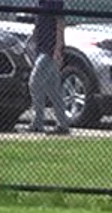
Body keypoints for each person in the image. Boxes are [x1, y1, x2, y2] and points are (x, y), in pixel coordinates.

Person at [27, 0, 69, 135]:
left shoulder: (55, 2)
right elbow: (38, 25)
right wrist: (31, 39)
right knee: (53, 89)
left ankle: (38, 122)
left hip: (50, 51)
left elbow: (60, 24)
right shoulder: (40, 3)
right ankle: (63, 125)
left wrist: (58, 48)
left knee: (35, 83)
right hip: (40, 48)